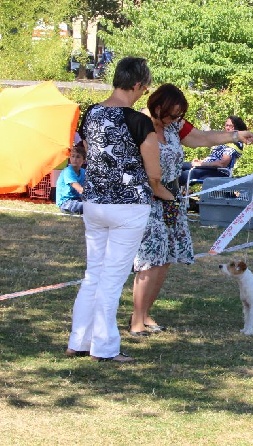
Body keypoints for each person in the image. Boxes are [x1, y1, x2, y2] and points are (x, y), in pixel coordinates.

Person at [66, 57, 174, 363]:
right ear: (137, 85)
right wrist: (166, 194)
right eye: (145, 87)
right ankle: (105, 347)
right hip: (128, 208)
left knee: (93, 275)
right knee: (112, 278)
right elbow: (154, 175)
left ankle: (79, 340)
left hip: (94, 203)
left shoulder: (92, 113)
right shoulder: (139, 122)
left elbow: (88, 151)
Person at [130, 84, 253, 336]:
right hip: (148, 198)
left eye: (179, 115)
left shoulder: (174, 127)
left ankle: (146, 314)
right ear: (158, 107)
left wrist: (236, 136)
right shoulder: (138, 124)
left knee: (165, 260)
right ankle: (136, 320)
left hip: (171, 199)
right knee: (149, 261)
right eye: (172, 114)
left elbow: (202, 137)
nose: (177, 120)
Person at [178, 115, 247, 186]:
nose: (228, 128)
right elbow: (213, 158)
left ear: (237, 128)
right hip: (207, 167)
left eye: (231, 126)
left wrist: (201, 164)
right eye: (226, 125)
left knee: (182, 175)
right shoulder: (224, 141)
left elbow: (222, 164)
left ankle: (171, 194)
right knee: (178, 166)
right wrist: (201, 161)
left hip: (217, 171)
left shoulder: (234, 143)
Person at [56, 142, 86, 214]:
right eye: (73, 156)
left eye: (78, 157)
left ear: (84, 160)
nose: (74, 159)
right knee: (89, 207)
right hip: (66, 202)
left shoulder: (83, 172)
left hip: (78, 199)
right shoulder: (68, 171)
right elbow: (79, 188)